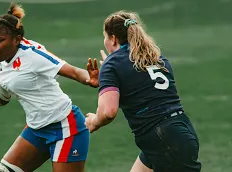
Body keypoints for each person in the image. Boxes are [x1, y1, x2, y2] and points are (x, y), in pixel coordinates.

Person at [0, 3, 99, 172]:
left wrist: (90, 78)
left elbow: (74, 72)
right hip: (36, 128)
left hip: (65, 127)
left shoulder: (33, 56)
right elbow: (8, 89)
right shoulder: (0, 57)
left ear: (17, 39)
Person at [85, 10, 202, 172]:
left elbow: (108, 112)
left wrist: (94, 122)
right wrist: (109, 79)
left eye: (105, 36)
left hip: (162, 139)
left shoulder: (112, 64)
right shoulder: (157, 59)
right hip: (178, 131)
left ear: (112, 39)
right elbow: (140, 87)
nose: (104, 41)